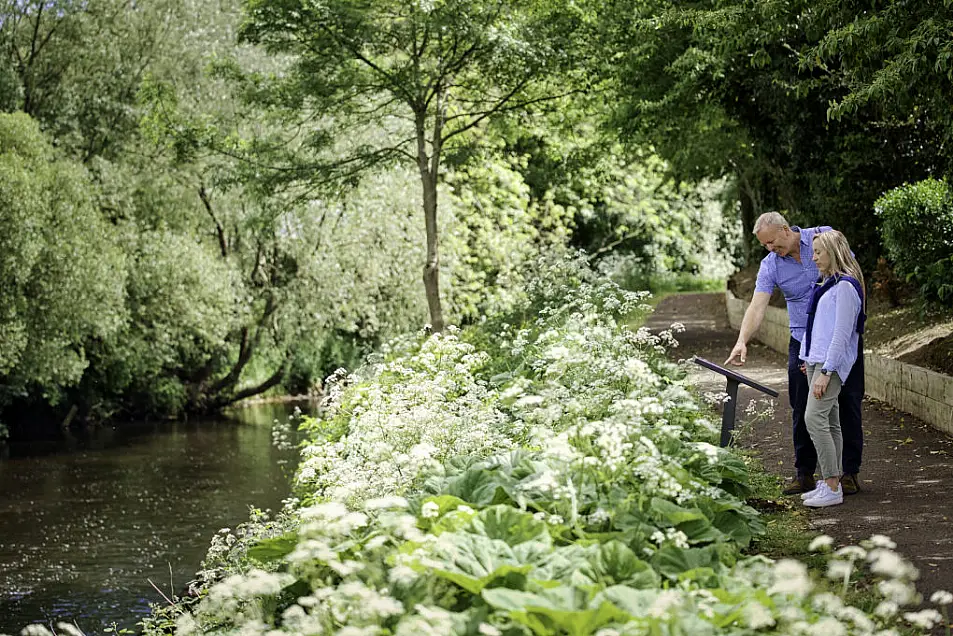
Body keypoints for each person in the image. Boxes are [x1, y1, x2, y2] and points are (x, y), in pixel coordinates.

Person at [725, 212, 864, 495]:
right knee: (802, 407)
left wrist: (857, 326)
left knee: (848, 403)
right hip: (803, 342)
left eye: (772, 242)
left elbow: (854, 275)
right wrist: (743, 340)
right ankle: (805, 474)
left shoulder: (822, 238)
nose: (770, 249)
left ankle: (848, 473)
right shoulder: (771, 265)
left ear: (785, 229)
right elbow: (757, 305)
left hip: (839, 340)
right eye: (764, 245)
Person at [798, 230, 866, 507]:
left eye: (818, 252)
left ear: (833, 253)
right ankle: (831, 482)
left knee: (813, 419)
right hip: (817, 361)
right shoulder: (828, 284)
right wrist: (807, 357)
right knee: (831, 422)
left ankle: (831, 486)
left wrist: (826, 372)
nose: (813, 258)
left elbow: (841, 335)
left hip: (830, 365)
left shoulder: (846, 288)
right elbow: (817, 327)